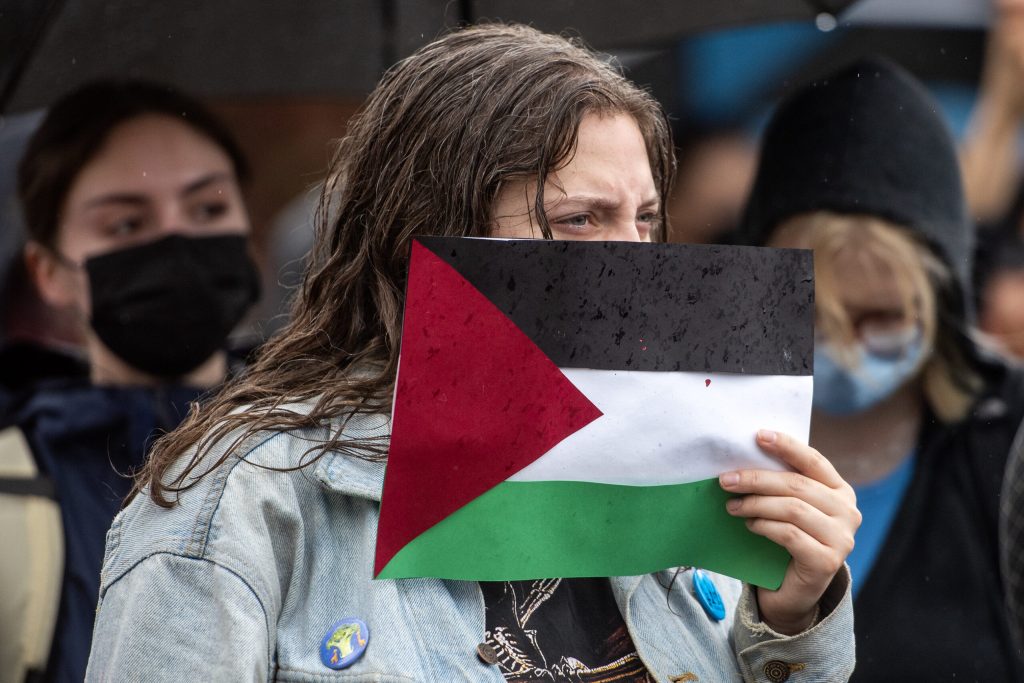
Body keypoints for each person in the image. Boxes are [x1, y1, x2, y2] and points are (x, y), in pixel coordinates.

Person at [86, 25, 858, 681]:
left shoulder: (676, 470)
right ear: (438, 228)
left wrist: (791, 612)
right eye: (581, 219)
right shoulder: (241, 502)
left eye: (645, 219)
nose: (635, 261)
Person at [738, 56, 1024, 680]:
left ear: (942, 301)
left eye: (882, 316)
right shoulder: (695, 438)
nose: (845, 348)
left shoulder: (1011, 448)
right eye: (812, 314)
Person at [0, 81, 260, 682]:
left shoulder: (335, 451)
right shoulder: (17, 482)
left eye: (208, 209)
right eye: (124, 225)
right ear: (49, 272)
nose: (175, 241)